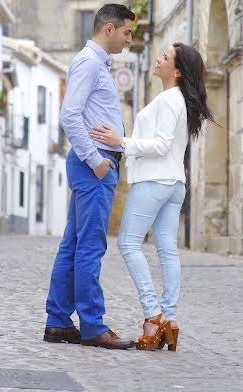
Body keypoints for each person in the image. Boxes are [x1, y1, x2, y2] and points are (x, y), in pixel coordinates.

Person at [90, 43, 215, 351]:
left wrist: (120, 141)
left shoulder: (170, 100)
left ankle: (153, 316)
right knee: (167, 251)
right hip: (173, 183)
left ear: (176, 71)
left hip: (154, 181)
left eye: (165, 57)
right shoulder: (178, 100)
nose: (158, 58)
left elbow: (159, 145)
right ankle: (169, 321)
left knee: (128, 243)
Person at [44, 4, 136, 350]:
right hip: (93, 167)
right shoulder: (88, 63)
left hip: (91, 167)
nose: (130, 39)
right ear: (109, 29)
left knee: (73, 244)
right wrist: (97, 160)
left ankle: (58, 321)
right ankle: (93, 325)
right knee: (90, 246)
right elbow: (70, 114)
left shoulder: (95, 64)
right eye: (127, 32)